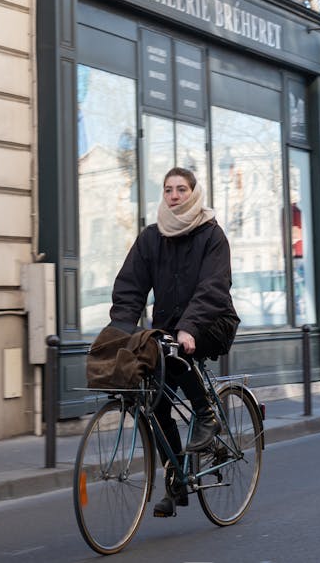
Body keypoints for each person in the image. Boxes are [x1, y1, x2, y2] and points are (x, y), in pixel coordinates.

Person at [108, 166, 240, 518]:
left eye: (181, 189)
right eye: (168, 189)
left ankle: (206, 413)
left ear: (194, 193)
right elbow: (131, 286)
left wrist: (189, 327)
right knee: (155, 404)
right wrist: (120, 331)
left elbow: (213, 287)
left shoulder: (212, 235)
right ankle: (176, 482)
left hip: (213, 322)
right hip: (167, 330)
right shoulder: (152, 237)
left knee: (174, 348)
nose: (174, 195)